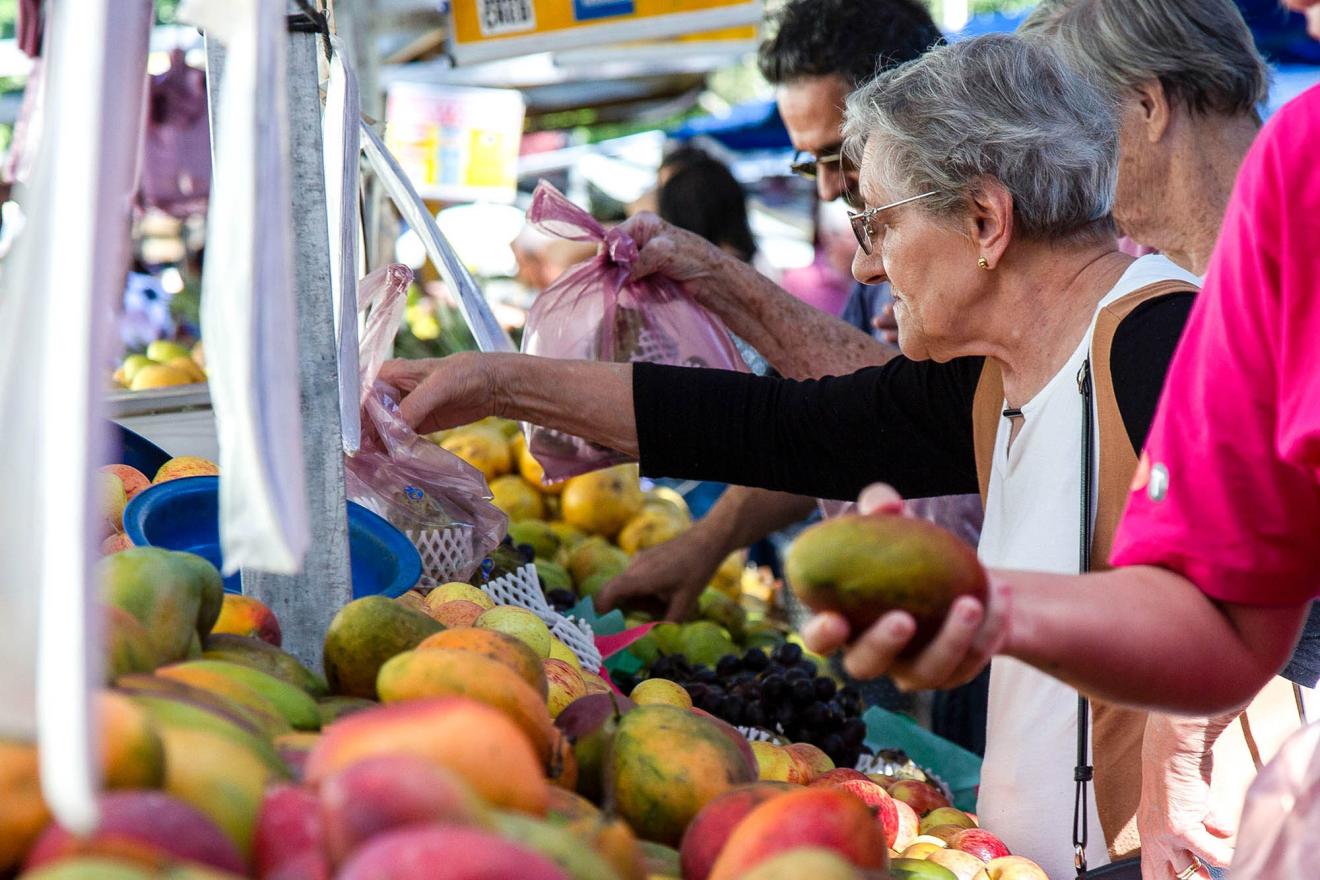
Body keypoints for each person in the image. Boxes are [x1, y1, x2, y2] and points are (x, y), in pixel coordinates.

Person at [381, 35, 1201, 876]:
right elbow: (777, 424)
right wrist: (495, 383)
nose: (865, 263)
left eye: (877, 222)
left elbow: (1275, 601)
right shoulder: (999, 380)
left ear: (985, 221)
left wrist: (1181, 756)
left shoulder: (1159, 342)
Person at [1018, 3, 1320, 876]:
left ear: (1148, 106)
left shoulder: (1293, 185)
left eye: (1075, 132)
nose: (1064, 173)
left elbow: (1250, 563)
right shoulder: (1201, 274)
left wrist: (1178, 748)